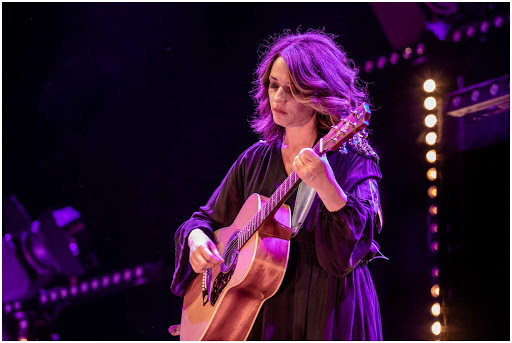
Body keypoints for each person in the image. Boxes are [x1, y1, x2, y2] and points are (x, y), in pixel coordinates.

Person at [171, 29, 384, 340]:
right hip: (264, 310)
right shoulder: (255, 159)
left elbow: (348, 252)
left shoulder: (354, 157)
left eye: (293, 90)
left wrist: (326, 186)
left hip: (331, 307)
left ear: (319, 94)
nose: (278, 98)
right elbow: (202, 220)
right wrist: (196, 242)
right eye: (273, 85)